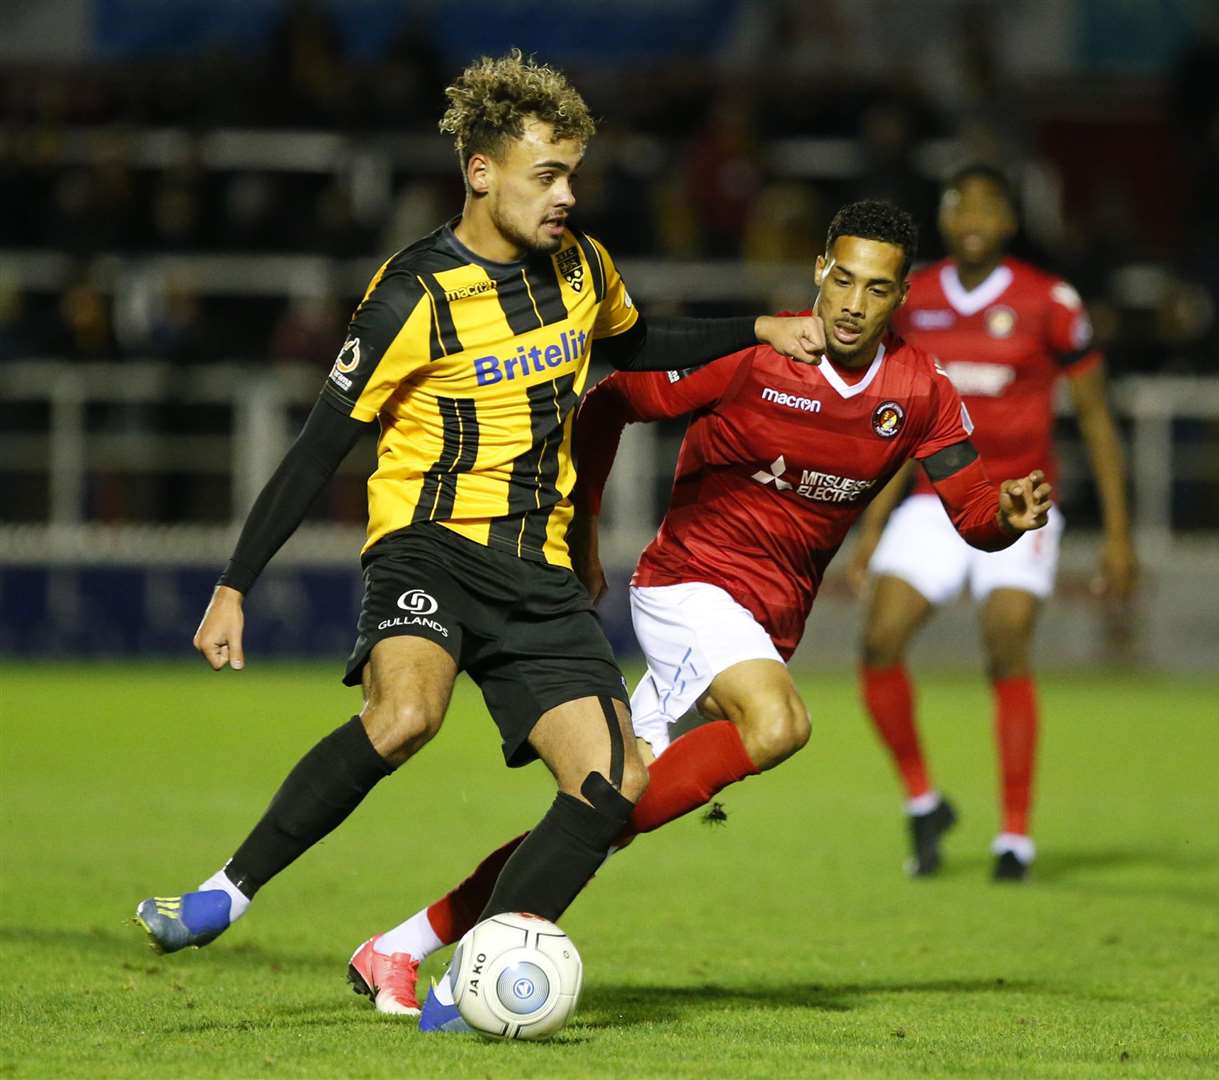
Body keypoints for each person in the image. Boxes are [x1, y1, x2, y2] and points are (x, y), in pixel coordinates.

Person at [132, 50, 826, 999]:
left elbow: (632, 344)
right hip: (429, 545)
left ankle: (472, 982)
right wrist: (233, 584)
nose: (566, 196)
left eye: (572, 174)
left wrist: (756, 328)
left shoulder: (581, 268)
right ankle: (225, 893)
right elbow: (314, 448)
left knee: (613, 783)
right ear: (481, 173)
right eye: (547, 175)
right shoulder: (410, 294)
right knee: (407, 714)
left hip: (538, 574)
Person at [351, 199, 1055, 1030]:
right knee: (778, 723)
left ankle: (402, 945)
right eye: (841, 279)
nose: (852, 304)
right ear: (817, 273)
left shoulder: (921, 390)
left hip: (762, 623)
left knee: (606, 807)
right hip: (689, 586)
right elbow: (608, 403)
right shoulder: (753, 356)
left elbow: (971, 511)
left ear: (900, 298)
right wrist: (580, 536)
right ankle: (514, 933)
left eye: (875, 289)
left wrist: (1004, 518)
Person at [848, 164, 1137, 882]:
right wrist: (871, 523)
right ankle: (922, 800)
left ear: (1009, 221)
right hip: (934, 498)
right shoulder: (913, 299)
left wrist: (1119, 534)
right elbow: (895, 415)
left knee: (1004, 640)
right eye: (957, 204)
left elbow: (1097, 416)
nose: (971, 216)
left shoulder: (1049, 301)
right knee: (879, 640)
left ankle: (1014, 835)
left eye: (986, 205)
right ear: (943, 218)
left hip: (1021, 501)